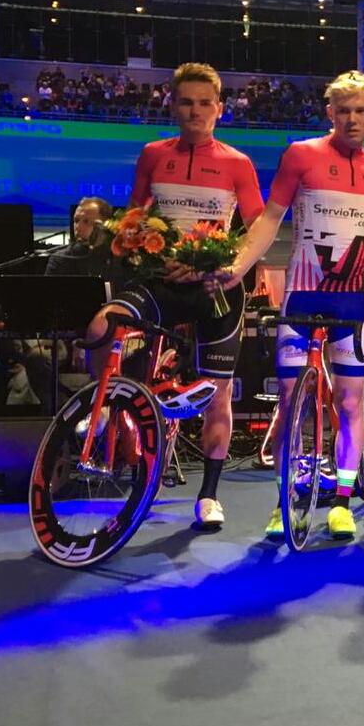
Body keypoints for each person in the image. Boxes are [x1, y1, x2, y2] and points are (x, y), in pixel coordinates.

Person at [86, 62, 264, 530]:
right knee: (100, 326)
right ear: (172, 105)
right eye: (186, 102)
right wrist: (142, 248)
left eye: (205, 103)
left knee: (218, 396)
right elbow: (133, 218)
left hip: (213, 290)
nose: (195, 111)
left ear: (219, 108)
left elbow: (257, 229)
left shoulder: (237, 163)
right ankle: (104, 408)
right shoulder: (152, 154)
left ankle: (208, 496)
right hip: (161, 281)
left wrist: (227, 268)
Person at [215, 70, 364, 541]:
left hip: (352, 302)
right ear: (329, 112)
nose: (352, 119)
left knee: (350, 402)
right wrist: (238, 266)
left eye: (361, 111)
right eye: (343, 111)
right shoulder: (301, 154)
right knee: (291, 403)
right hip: (302, 296)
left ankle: (342, 501)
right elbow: (270, 218)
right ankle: (283, 500)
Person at [45, 197, 119, 279]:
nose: (78, 227)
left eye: (86, 221)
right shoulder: (60, 259)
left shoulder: (118, 259)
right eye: (76, 221)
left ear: (103, 226)